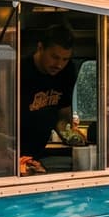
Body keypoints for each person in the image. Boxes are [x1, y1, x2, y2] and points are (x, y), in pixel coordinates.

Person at [17, 22, 79, 162]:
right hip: (13, 151)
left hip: (37, 153)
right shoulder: (20, 70)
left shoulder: (67, 72)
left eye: (65, 59)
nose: (59, 65)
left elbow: (63, 114)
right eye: (54, 57)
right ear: (40, 48)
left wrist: (69, 135)